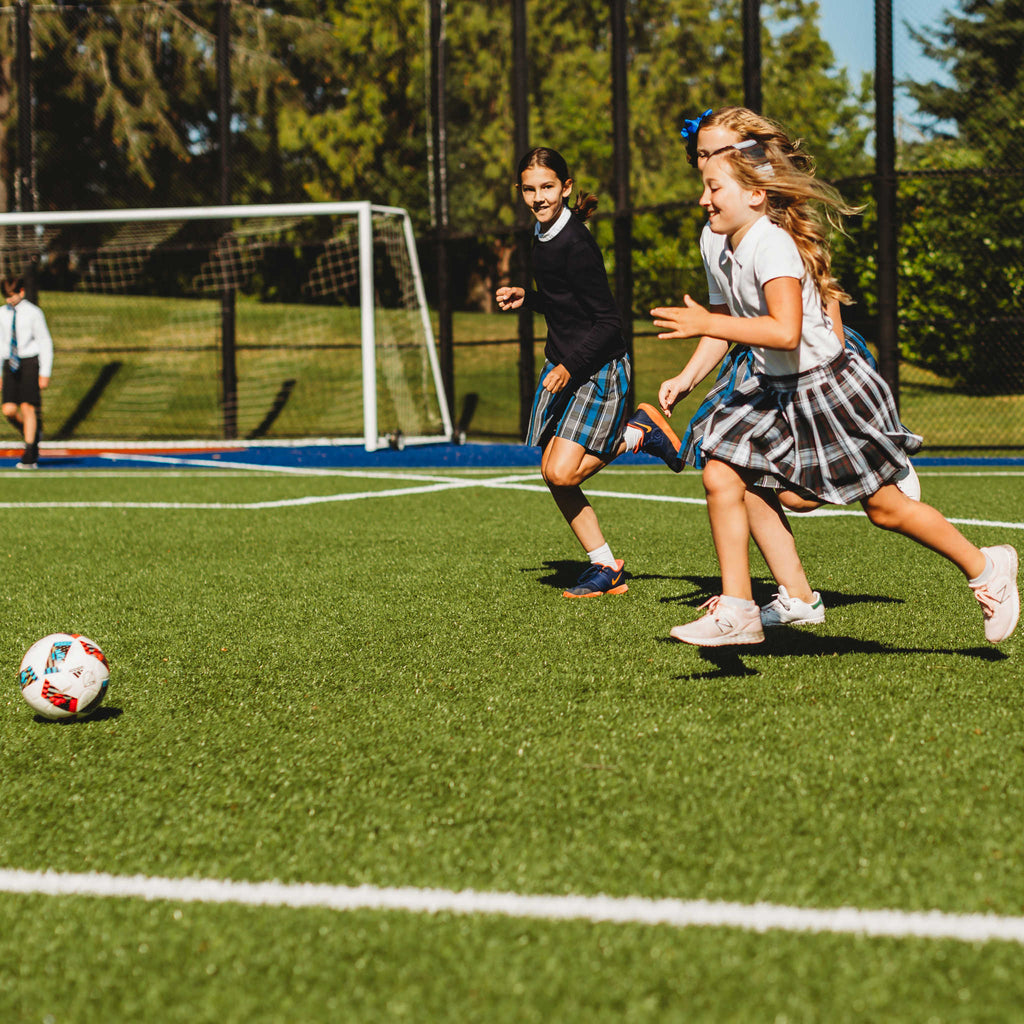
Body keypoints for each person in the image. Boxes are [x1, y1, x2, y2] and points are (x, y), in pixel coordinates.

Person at [655, 133, 1018, 646]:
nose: (703, 198)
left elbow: (783, 330)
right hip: (776, 386)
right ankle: (740, 607)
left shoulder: (771, 244)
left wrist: (703, 325)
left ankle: (987, 566)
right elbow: (736, 322)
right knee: (725, 468)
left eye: (714, 187)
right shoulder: (722, 240)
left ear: (755, 194)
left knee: (886, 509)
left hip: (826, 390)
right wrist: (690, 369)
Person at [659, 107, 918, 630]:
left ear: (752, 160)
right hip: (764, 366)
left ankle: (881, 459)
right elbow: (726, 318)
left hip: (817, 367)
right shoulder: (715, 230)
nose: (708, 161)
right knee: (730, 468)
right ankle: (790, 597)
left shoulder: (775, 226)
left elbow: (813, 310)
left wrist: (838, 378)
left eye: (720, 152)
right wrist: (688, 377)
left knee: (800, 497)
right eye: (704, 154)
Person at [496, 147, 683, 598]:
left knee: (562, 474)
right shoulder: (541, 234)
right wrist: (531, 298)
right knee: (551, 472)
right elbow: (565, 302)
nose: (538, 197)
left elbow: (608, 324)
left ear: (566, 187)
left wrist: (568, 366)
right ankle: (604, 566)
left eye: (546, 187)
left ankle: (639, 433)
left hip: (596, 368)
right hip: (568, 363)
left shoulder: (575, 245)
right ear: (520, 192)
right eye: (529, 189)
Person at [1, 275, 53, 470]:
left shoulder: (33, 313)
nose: (10, 299)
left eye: (13, 295)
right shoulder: (2, 314)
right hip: (9, 362)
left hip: (29, 362)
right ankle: (32, 432)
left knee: (27, 407)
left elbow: (45, 342)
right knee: (9, 410)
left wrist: (45, 372)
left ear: (21, 292)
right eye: (7, 296)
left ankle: (30, 453)